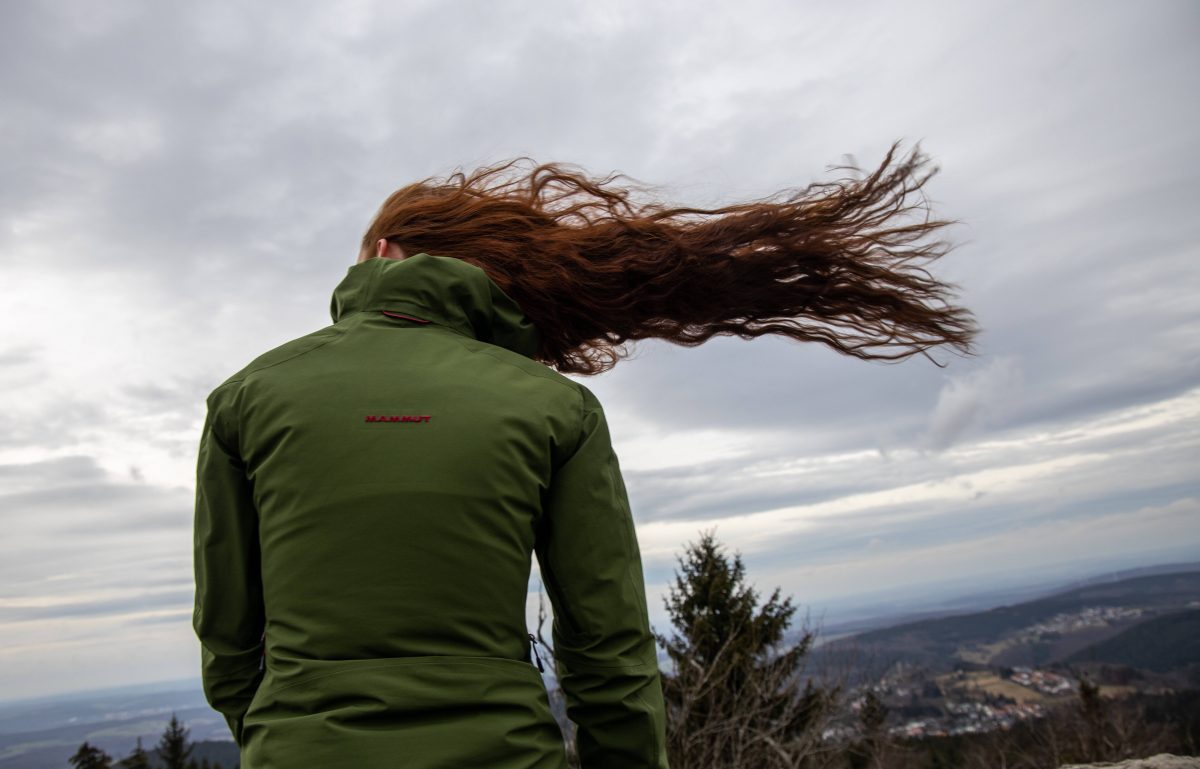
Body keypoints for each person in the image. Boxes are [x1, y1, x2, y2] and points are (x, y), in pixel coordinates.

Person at [193, 142, 975, 769]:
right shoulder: (552, 407)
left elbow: (229, 641)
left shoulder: (246, 398)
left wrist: (285, 736)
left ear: (384, 253)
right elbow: (608, 648)